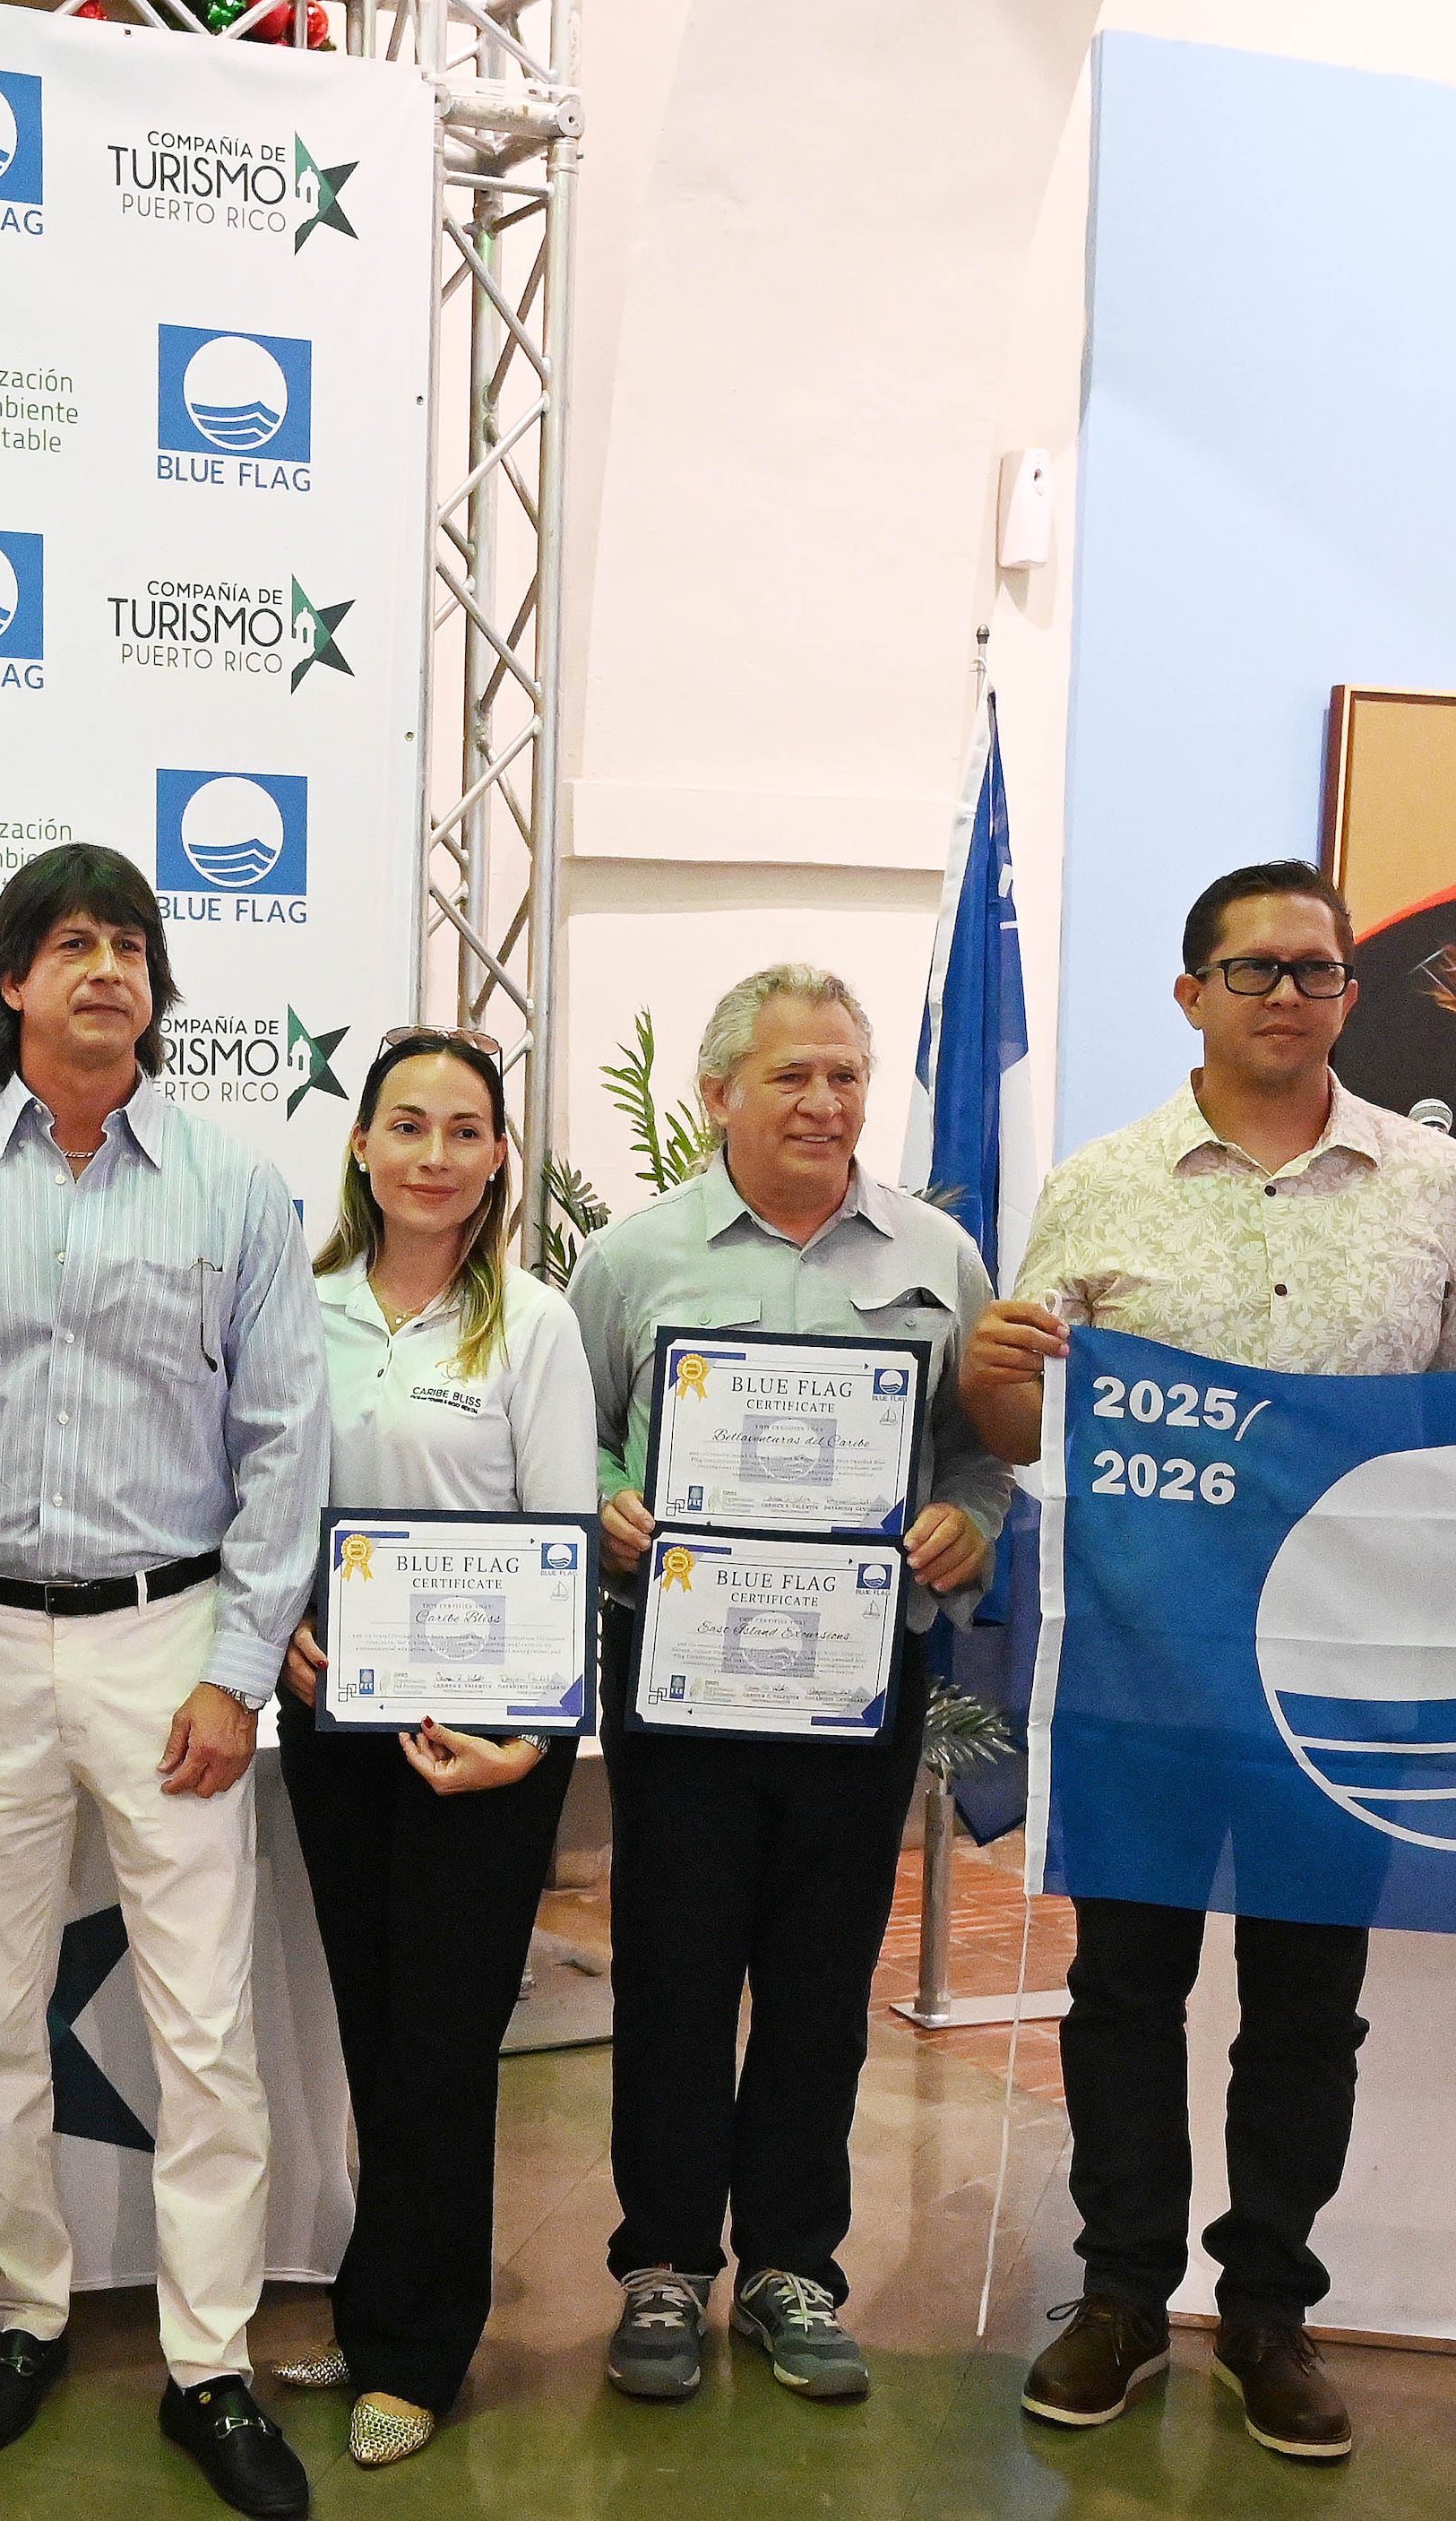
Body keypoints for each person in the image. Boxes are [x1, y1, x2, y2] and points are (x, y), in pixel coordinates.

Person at [963, 859, 1456, 2463]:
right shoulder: (1100, 1186)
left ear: (1353, 992)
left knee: (1307, 2007)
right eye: (1254, 968)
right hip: (1146, 1668)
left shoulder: (1438, 1188)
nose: (1288, 993)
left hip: (1346, 1673)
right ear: (1191, 992)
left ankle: (1272, 2306)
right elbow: (1027, 1441)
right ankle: (1123, 2293)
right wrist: (995, 1378)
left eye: (1318, 969)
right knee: (1122, 1990)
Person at [0, 843, 329, 2518]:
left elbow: (283, 1445)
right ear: (8, 986)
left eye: (131, 942)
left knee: (203, 2027)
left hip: (168, 1642)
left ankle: (210, 2362)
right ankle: (28, 2310)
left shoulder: (230, 1187)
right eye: (71, 942)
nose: (106, 967)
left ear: (156, 988)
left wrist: (240, 1666)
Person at [564, 963, 1015, 2409]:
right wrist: (607, 1501)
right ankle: (662, 2266)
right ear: (718, 1097)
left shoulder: (940, 1257)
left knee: (823, 1985)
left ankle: (792, 2268)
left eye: (846, 1075)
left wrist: (969, 1526)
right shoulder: (636, 1260)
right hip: (682, 1677)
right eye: (792, 1077)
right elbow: (562, 1439)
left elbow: (976, 1450)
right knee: (676, 1976)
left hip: (855, 1682)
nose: (826, 1103)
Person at [250, 1029, 598, 2467]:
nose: (435, 1154)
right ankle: (376, 2295)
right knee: (375, 2027)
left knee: (448, 2047)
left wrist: (528, 1743)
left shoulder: (531, 1323)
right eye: (408, 1125)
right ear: (360, 1145)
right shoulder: (300, 1308)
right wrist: (273, 1635)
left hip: (483, 1746)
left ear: (499, 1156)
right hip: (338, 1723)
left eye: (466, 1130)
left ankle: (424, 2349)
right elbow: (258, 1505)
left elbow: (569, 1538)